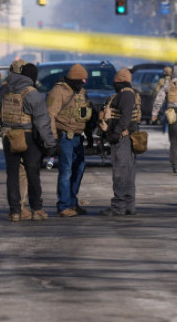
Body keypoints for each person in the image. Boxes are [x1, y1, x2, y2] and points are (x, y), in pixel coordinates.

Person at [0, 62, 56, 222]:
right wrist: (50, 144)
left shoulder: (4, 90)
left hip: (9, 136)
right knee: (33, 173)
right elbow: (42, 122)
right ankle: (37, 209)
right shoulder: (33, 94)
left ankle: (15, 211)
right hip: (28, 136)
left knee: (12, 174)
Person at [47, 64, 91, 217]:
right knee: (66, 172)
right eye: (81, 80)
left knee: (78, 170)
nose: (83, 83)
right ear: (73, 79)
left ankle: (73, 202)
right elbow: (50, 115)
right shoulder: (58, 91)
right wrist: (54, 139)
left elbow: (84, 112)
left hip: (78, 137)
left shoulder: (81, 91)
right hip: (64, 137)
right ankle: (63, 206)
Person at [99, 67, 140, 216]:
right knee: (128, 174)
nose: (114, 84)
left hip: (122, 140)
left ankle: (118, 207)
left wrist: (116, 133)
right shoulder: (129, 94)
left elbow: (125, 117)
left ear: (121, 81)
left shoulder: (126, 95)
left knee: (120, 174)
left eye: (115, 82)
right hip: (125, 139)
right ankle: (128, 206)